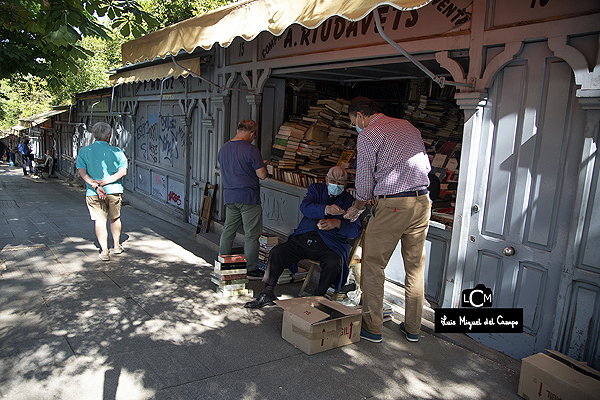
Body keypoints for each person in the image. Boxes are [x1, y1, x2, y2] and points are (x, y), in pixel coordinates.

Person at [344, 97, 431, 343]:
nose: (355, 128)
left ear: (360, 115)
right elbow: (426, 165)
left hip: (393, 205)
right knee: (414, 268)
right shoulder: (408, 126)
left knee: (373, 265)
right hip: (422, 201)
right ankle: (413, 328)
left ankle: (372, 327)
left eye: (353, 123)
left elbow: (363, 180)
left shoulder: (369, 134)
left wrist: (357, 206)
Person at [245, 166, 362, 309]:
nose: (335, 185)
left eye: (340, 183)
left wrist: (337, 223)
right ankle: (267, 292)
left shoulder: (350, 201)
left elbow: (355, 230)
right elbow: (305, 207)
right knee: (278, 252)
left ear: (345, 184)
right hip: (305, 238)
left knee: (333, 264)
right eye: (332, 181)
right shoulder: (316, 189)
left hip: (330, 245)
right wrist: (325, 209)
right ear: (326, 180)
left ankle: (318, 299)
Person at [218, 119, 267, 279]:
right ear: (252, 133)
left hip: (230, 196)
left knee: (228, 231)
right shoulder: (251, 150)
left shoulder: (223, 148)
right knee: (251, 234)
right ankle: (251, 268)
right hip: (248, 198)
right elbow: (262, 175)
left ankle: (223, 261)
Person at [76, 122, 128, 261]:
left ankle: (104, 251)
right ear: (109, 136)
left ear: (94, 135)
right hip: (114, 190)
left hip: (93, 192)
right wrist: (105, 182)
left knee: (99, 220)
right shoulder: (117, 152)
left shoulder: (84, 151)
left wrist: (95, 184)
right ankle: (116, 246)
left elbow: (81, 171)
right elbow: (122, 172)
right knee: (115, 218)